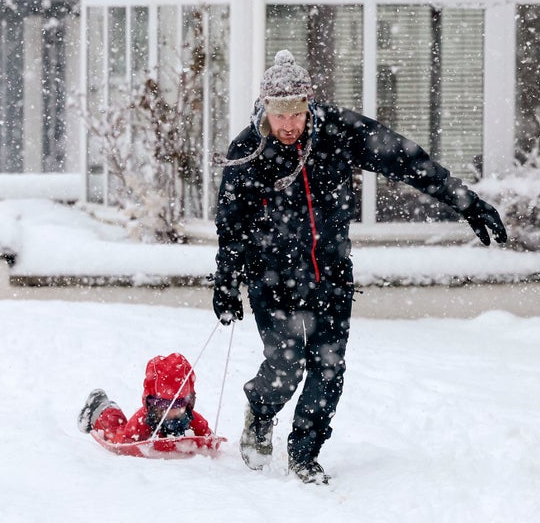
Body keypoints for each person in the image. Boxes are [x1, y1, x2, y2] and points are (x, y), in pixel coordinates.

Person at [212, 50, 507, 485]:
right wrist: (226, 281)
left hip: (330, 274)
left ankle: (304, 454)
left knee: (328, 367)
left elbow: (406, 159)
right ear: (265, 110)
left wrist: (464, 200)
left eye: (297, 113)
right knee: (285, 365)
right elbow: (231, 223)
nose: (290, 124)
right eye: (280, 115)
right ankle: (260, 410)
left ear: (309, 105)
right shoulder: (248, 151)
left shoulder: (338, 132)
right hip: (270, 278)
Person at [78, 353, 216, 453]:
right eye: (163, 405)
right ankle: (101, 407)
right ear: (152, 403)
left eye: (178, 403)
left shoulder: (192, 419)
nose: (172, 411)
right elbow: (122, 445)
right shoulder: (143, 421)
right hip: (121, 428)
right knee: (114, 431)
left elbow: (208, 438)